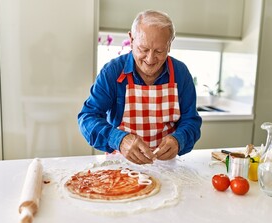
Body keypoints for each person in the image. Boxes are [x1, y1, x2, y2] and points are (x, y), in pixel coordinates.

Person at [78, 10, 202, 164]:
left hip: (167, 164)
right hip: (120, 163)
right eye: (143, 49)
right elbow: (87, 117)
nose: (150, 59)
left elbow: (191, 121)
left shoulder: (180, 73)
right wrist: (119, 140)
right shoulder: (112, 72)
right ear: (131, 39)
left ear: (169, 44)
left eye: (159, 51)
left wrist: (179, 140)